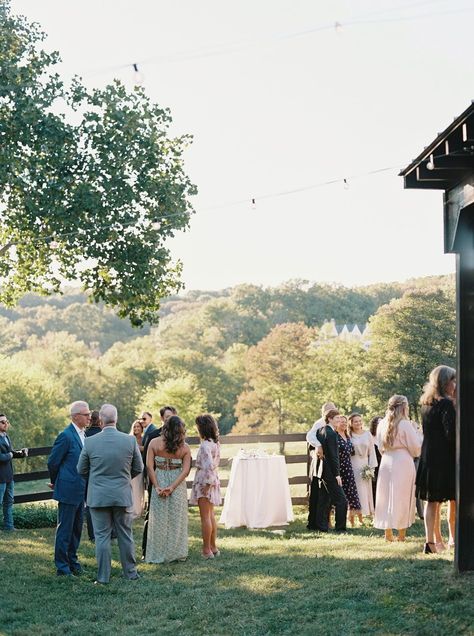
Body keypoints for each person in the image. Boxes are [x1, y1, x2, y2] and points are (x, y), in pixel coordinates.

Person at [77, 404, 143, 584]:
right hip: (122, 494)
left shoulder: (90, 442)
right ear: (117, 419)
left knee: (101, 537)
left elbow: (80, 469)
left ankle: (103, 577)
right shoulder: (129, 441)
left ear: (99, 420)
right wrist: (124, 478)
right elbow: (139, 467)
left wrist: (95, 479)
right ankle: (131, 573)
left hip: (98, 496)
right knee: (125, 534)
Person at [415, 365, 456, 554]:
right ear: (444, 382)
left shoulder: (426, 404)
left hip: (428, 456)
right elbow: (451, 434)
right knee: (453, 499)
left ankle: (430, 543)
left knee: (432, 502)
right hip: (443, 459)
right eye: (452, 381)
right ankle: (454, 539)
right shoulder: (446, 404)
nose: (454, 384)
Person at [47, 401, 90, 576]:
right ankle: (62, 567)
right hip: (68, 489)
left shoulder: (83, 435)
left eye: (89, 414)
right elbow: (53, 461)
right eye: (86, 414)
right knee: (65, 529)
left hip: (81, 490)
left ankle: (73, 561)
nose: (89, 417)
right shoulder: (66, 435)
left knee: (77, 529)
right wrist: (56, 481)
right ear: (75, 416)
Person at [374, 395, 422, 542]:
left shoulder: (382, 423)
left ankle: (388, 534)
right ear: (404, 407)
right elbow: (416, 448)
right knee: (402, 497)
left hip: (386, 460)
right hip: (402, 461)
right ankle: (401, 535)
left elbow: (379, 446)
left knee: (385, 496)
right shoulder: (405, 424)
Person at [145, 415, 191, 563]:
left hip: (159, 479)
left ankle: (157, 553)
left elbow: (149, 466)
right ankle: (175, 553)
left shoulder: (154, 443)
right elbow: (185, 471)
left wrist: (157, 486)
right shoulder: (184, 447)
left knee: (158, 519)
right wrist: (172, 487)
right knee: (176, 519)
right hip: (177, 483)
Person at [141, 405, 177, 558]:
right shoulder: (153, 434)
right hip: (155, 478)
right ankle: (146, 549)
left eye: (172, 417)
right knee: (152, 515)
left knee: (172, 514)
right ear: (162, 418)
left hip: (173, 480)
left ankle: (170, 549)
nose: (169, 420)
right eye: (167, 417)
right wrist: (153, 481)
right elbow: (147, 461)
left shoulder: (178, 435)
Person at [190, 414, 222, 559]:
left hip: (205, 481)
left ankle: (206, 550)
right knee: (210, 515)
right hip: (213, 479)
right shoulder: (215, 443)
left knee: (205, 517)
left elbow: (209, 466)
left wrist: (207, 485)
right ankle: (213, 547)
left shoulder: (205, 446)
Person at [314, 409, 348, 532]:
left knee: (324, 499)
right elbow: (333, 456)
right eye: (336, 418)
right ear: (329, 419)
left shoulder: (321, 430)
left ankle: (321, 527)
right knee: (341, 501)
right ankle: (340, 528)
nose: (339, 420)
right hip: (330, 472)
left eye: (340, 418)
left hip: (322, 471)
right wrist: (337, 474)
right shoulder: (332, 433)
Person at [306, 401, 336, 530]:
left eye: (333, 409)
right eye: (328, 410)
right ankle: (318, 522)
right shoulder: (319, 423)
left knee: (328, 494)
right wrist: (318, 445)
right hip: (321, 462)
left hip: (331, 461)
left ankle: (326, 520)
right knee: (319, 493)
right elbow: (310, 435)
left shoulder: (334, 423)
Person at [0, 414, 28, 532]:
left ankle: (9, 527)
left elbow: (10, 452)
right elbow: (2, 457)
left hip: (9, 476)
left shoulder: (6, 436)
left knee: (9, 502)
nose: (6, 423)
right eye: (2, 422)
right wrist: (10, 455)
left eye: (6, 421)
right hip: (0, 477)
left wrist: (21, 453)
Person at [348, 413, 378, 521]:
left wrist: (371, 467)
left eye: (360, 421)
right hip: (353, 463)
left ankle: (365, 513)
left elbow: (372, 451)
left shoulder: (367, 434)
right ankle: (354, 514)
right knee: (354, 489)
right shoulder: (348, 434)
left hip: (365, 464)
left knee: (365, 489)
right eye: (356, 421)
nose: (358, 423)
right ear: (351, 423)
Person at [334, 415, 361, 527]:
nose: (344, 424)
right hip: (339, 468)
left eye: (345, 422)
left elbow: (352, 452)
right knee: (340, 495)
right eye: (341, 422)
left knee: (351, 493)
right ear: (336, 423)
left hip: (348, 468)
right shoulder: (335, 436)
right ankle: (333, 520)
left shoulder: (347, 435)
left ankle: (352, 520)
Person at [85, 410, 102, 542]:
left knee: (90, 505)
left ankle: (92, 534)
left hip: (89, 474)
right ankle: (110, 532)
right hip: (104, 474)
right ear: (100, 421)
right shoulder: (103, 435)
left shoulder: (84, 435)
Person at [129, 420, 145, 519]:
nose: (136, 429)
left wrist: (141, 448)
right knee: (132, 488)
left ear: (142, 428)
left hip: (142, 467)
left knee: (139, 488)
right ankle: (132, 510)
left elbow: (146, 449)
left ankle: (139, 509)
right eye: (134, 427)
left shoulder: (144, 439)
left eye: (138, 427)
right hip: (131, 467)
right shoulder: (130, 439)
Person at [369, 416, 382, 505]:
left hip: (384, 464)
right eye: (378, 423)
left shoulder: (385, 436)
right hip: (374, 465)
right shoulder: (370, 437)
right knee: (374, 485)